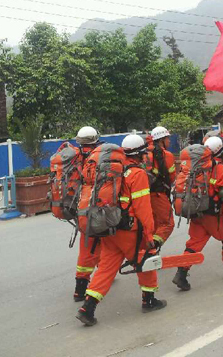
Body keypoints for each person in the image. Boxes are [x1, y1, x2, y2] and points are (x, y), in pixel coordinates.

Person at [76, 134, 166, 326]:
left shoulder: (113, 170)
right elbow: (143, 207)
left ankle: (87, 307)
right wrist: (149, 234)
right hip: (130, 230)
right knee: (145, 259)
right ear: (140, 153)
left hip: (109, 228)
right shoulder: (137, 174)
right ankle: (149, 300)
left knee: (106, 268)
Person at [172, 136, 223, 291]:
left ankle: (181, 273)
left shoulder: (192, 169)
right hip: (213, 216)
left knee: (193, 245)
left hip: (197, 213)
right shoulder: (219, 169)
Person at [73, 126, 103, 302]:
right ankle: (100, 276)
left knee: (86, 247)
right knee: (100, 242)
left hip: (80, 205)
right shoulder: (99, 156)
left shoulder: (75, 156)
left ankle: (80, 289)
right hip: (96, 205)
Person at [146, 126, 176, 246]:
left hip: (143, 196)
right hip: (158, 194)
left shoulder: (144, 153)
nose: (169, 141)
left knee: (152, 225)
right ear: (161, 140)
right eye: (167, 138)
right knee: (167, 224)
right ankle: (152, 248)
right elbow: (172, 177)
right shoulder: (166, 155)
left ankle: (146, 252)